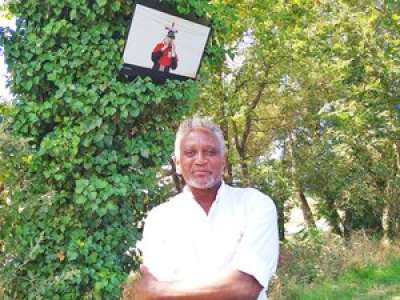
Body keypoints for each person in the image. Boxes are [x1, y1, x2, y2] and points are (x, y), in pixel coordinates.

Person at [123, 117, 279, 300]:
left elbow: (245, 288)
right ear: (178, 163)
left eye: (210, 152)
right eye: (190, 153)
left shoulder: (255, 204)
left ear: (223, 160)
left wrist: (162, 291)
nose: (200, 160)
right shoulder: (159, 219)